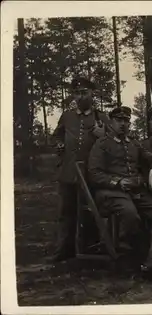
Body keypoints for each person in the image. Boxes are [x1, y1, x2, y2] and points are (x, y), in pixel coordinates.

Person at [87, 106, 152, 272]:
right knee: (130, 215)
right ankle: (127, 252)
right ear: (111, 123)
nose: (123, 124)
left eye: (126, 121)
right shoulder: (102, 144)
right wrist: (118, 182)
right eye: (118, 120)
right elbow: (94, 174)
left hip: (135, 192)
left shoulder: (133, 143)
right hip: (110, 193)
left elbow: (149, 157)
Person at [50, 77, 109, 263]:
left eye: (84, 92)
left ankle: (90, 249)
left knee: (91, 211)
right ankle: (64, 250)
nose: (81, 96)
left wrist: (103, 136)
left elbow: (112, 145)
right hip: (68, 171)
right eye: (77, 93)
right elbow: (57, 135)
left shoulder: (101, 117)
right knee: (66, 211)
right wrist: (59, 144)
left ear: (93, 94)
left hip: (91, 173)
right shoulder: (67, 116)